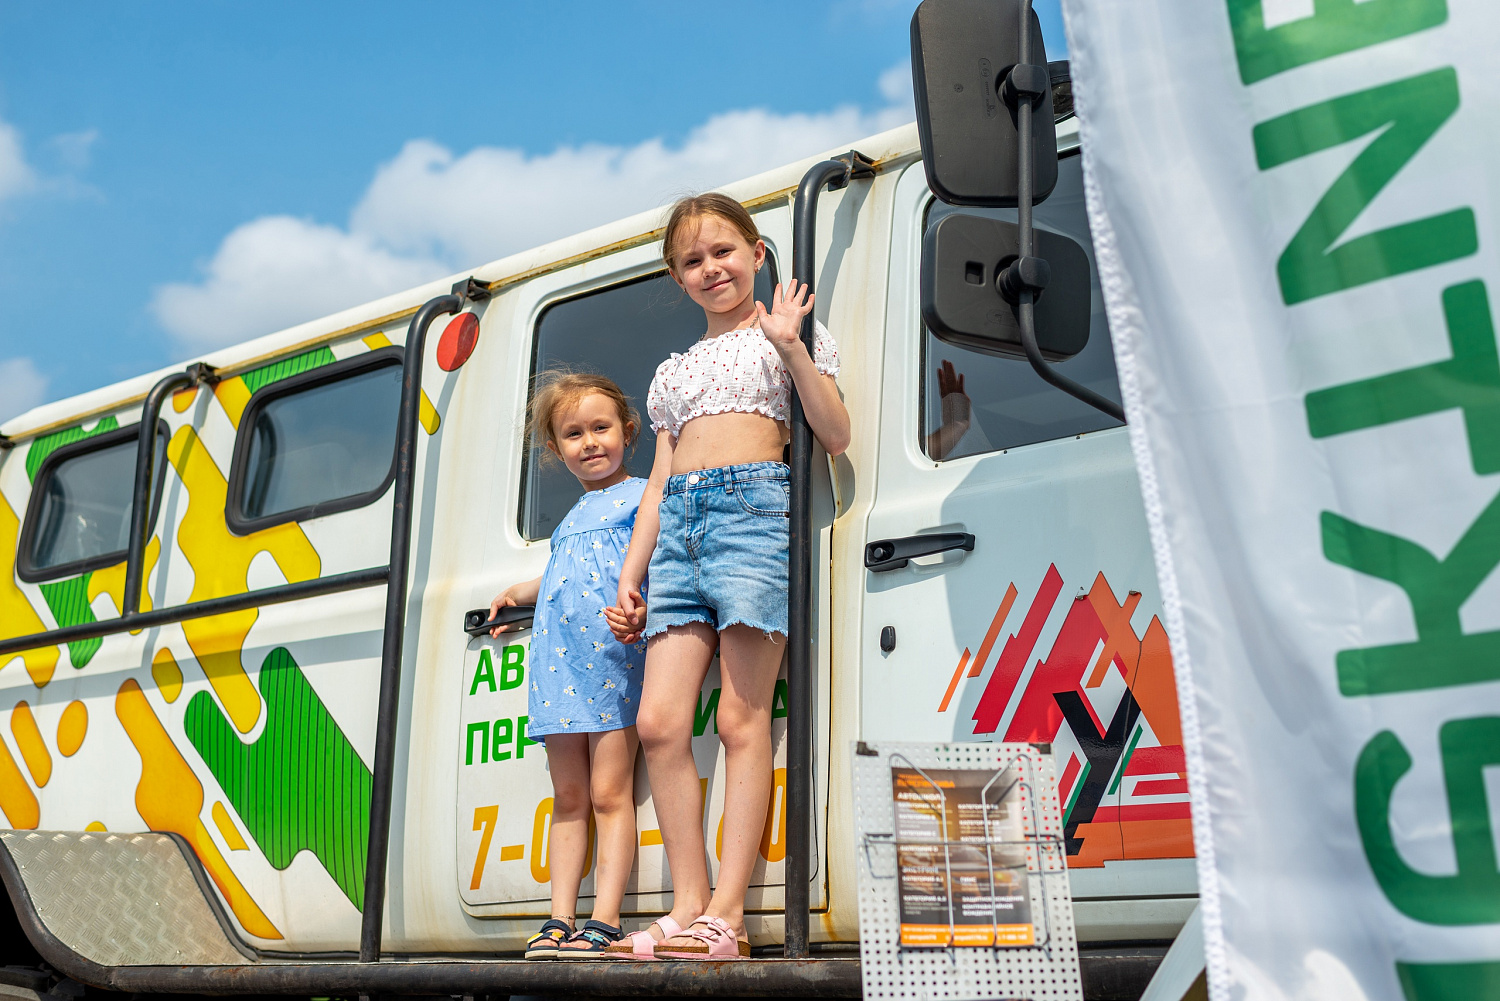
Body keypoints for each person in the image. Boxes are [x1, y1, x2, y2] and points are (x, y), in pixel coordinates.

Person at [602, 193, 850, 960]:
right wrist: (630, 574)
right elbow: (655, 483)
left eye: (723, 252)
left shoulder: (787, 336)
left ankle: (728, 916)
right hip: (679, 526)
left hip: (752, 513)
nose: (712, 269)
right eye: (693, 261)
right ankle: (686, 903)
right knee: (659, 723)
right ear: (678, 279)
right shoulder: (674, 372)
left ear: (757, 253)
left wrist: (792, 346)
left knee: (742, 722)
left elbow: (835, 434)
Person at [488, 372, 648, 959]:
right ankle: (559, 919)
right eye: (573, 434)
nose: (590, 442)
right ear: (557, 451)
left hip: (612, 662)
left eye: (600, 428)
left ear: (628, 432)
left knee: (611, 794)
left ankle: (604, 919)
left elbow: (648, 568)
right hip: (560, 673)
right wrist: (517, 591)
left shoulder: (639, 499)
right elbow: (565, 571)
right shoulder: (573, 516)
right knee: (570, 797)